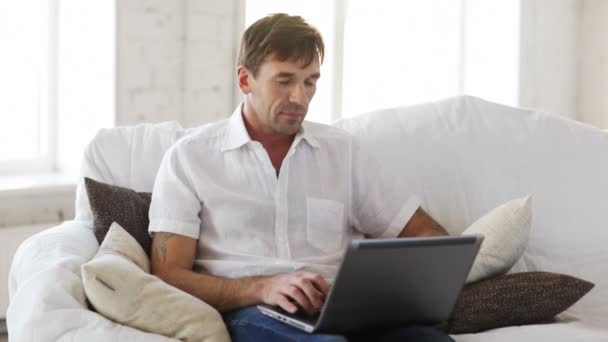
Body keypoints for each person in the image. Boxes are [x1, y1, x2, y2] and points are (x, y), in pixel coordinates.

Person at [149, 13, 453, 342]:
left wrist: (383, 291)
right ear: (245, 80)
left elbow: (428, 234)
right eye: (284, 80)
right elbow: (168, 274)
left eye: (310, 82)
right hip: (253, 310)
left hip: (344, 309)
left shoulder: (343, 153)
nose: (300, 97)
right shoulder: (190, 158)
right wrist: (261, 287)